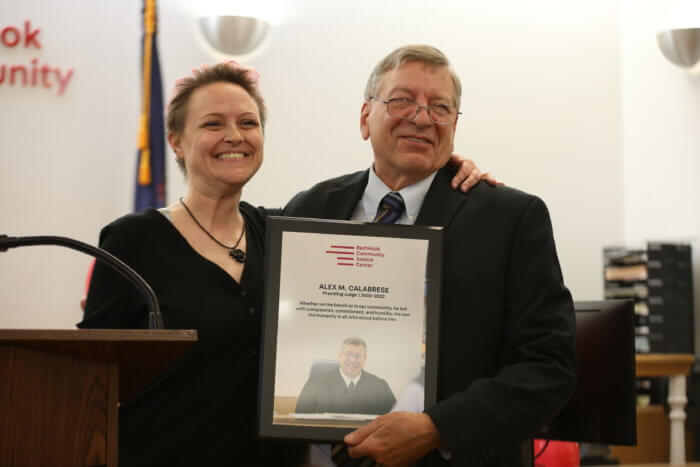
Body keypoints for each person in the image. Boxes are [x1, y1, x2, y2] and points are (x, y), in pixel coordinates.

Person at [77, 61, 492, 466]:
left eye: (248, 123)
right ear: (176, 141)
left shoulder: (284, 232)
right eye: (213, 124)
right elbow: (88, 377)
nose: (234, 136)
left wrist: (448, 167)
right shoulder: (133, 240)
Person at [283, 45, 577, 466]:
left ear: (454, 125)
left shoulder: (510, 218)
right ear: (365, 117)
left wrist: (436, 427)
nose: (421, 118)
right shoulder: (308, 209)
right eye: (402, 100)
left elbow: (549, 366)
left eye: (440, 107)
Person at [296, 337, 396, 415]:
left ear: (365, 359)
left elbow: (394, 419)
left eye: (358, 356)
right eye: (348, 354)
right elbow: (300, 418)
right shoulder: (316, 383)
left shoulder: (380, 386)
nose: (353, 360)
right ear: (339, 356)